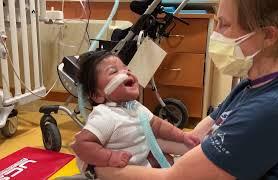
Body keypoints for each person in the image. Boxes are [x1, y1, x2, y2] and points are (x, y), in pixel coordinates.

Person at [93, 0, 278, 179]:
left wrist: (99, 167)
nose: (216, 34)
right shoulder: (253, 86)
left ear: (269, 35)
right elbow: (195, 139)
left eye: (225, 24)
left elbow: (175, 178)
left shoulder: (275, 109)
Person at [70, 51, 200, 175]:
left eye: (127, 68)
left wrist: (183, 136)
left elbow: (159, 126)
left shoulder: (136, 107)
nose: (126, 72)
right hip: (118, 173)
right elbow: (81, 145)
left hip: (140, 165)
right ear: (98, 95)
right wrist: (109, 157)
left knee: (168, 161)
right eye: (114, 71)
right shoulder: (106, 115)